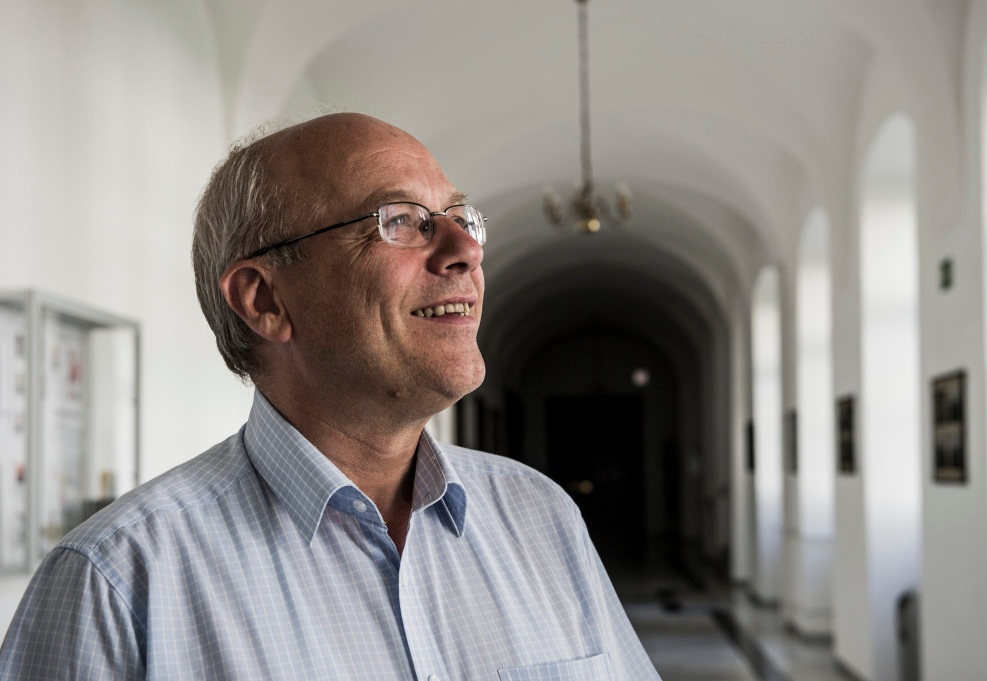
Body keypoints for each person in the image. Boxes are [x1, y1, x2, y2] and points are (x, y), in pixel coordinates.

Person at [0, 113, 660, 679]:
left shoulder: (540, 516)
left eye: (462, 219)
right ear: (264, 299)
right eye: (402, 220)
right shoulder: (117, 581)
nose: (465, 250)